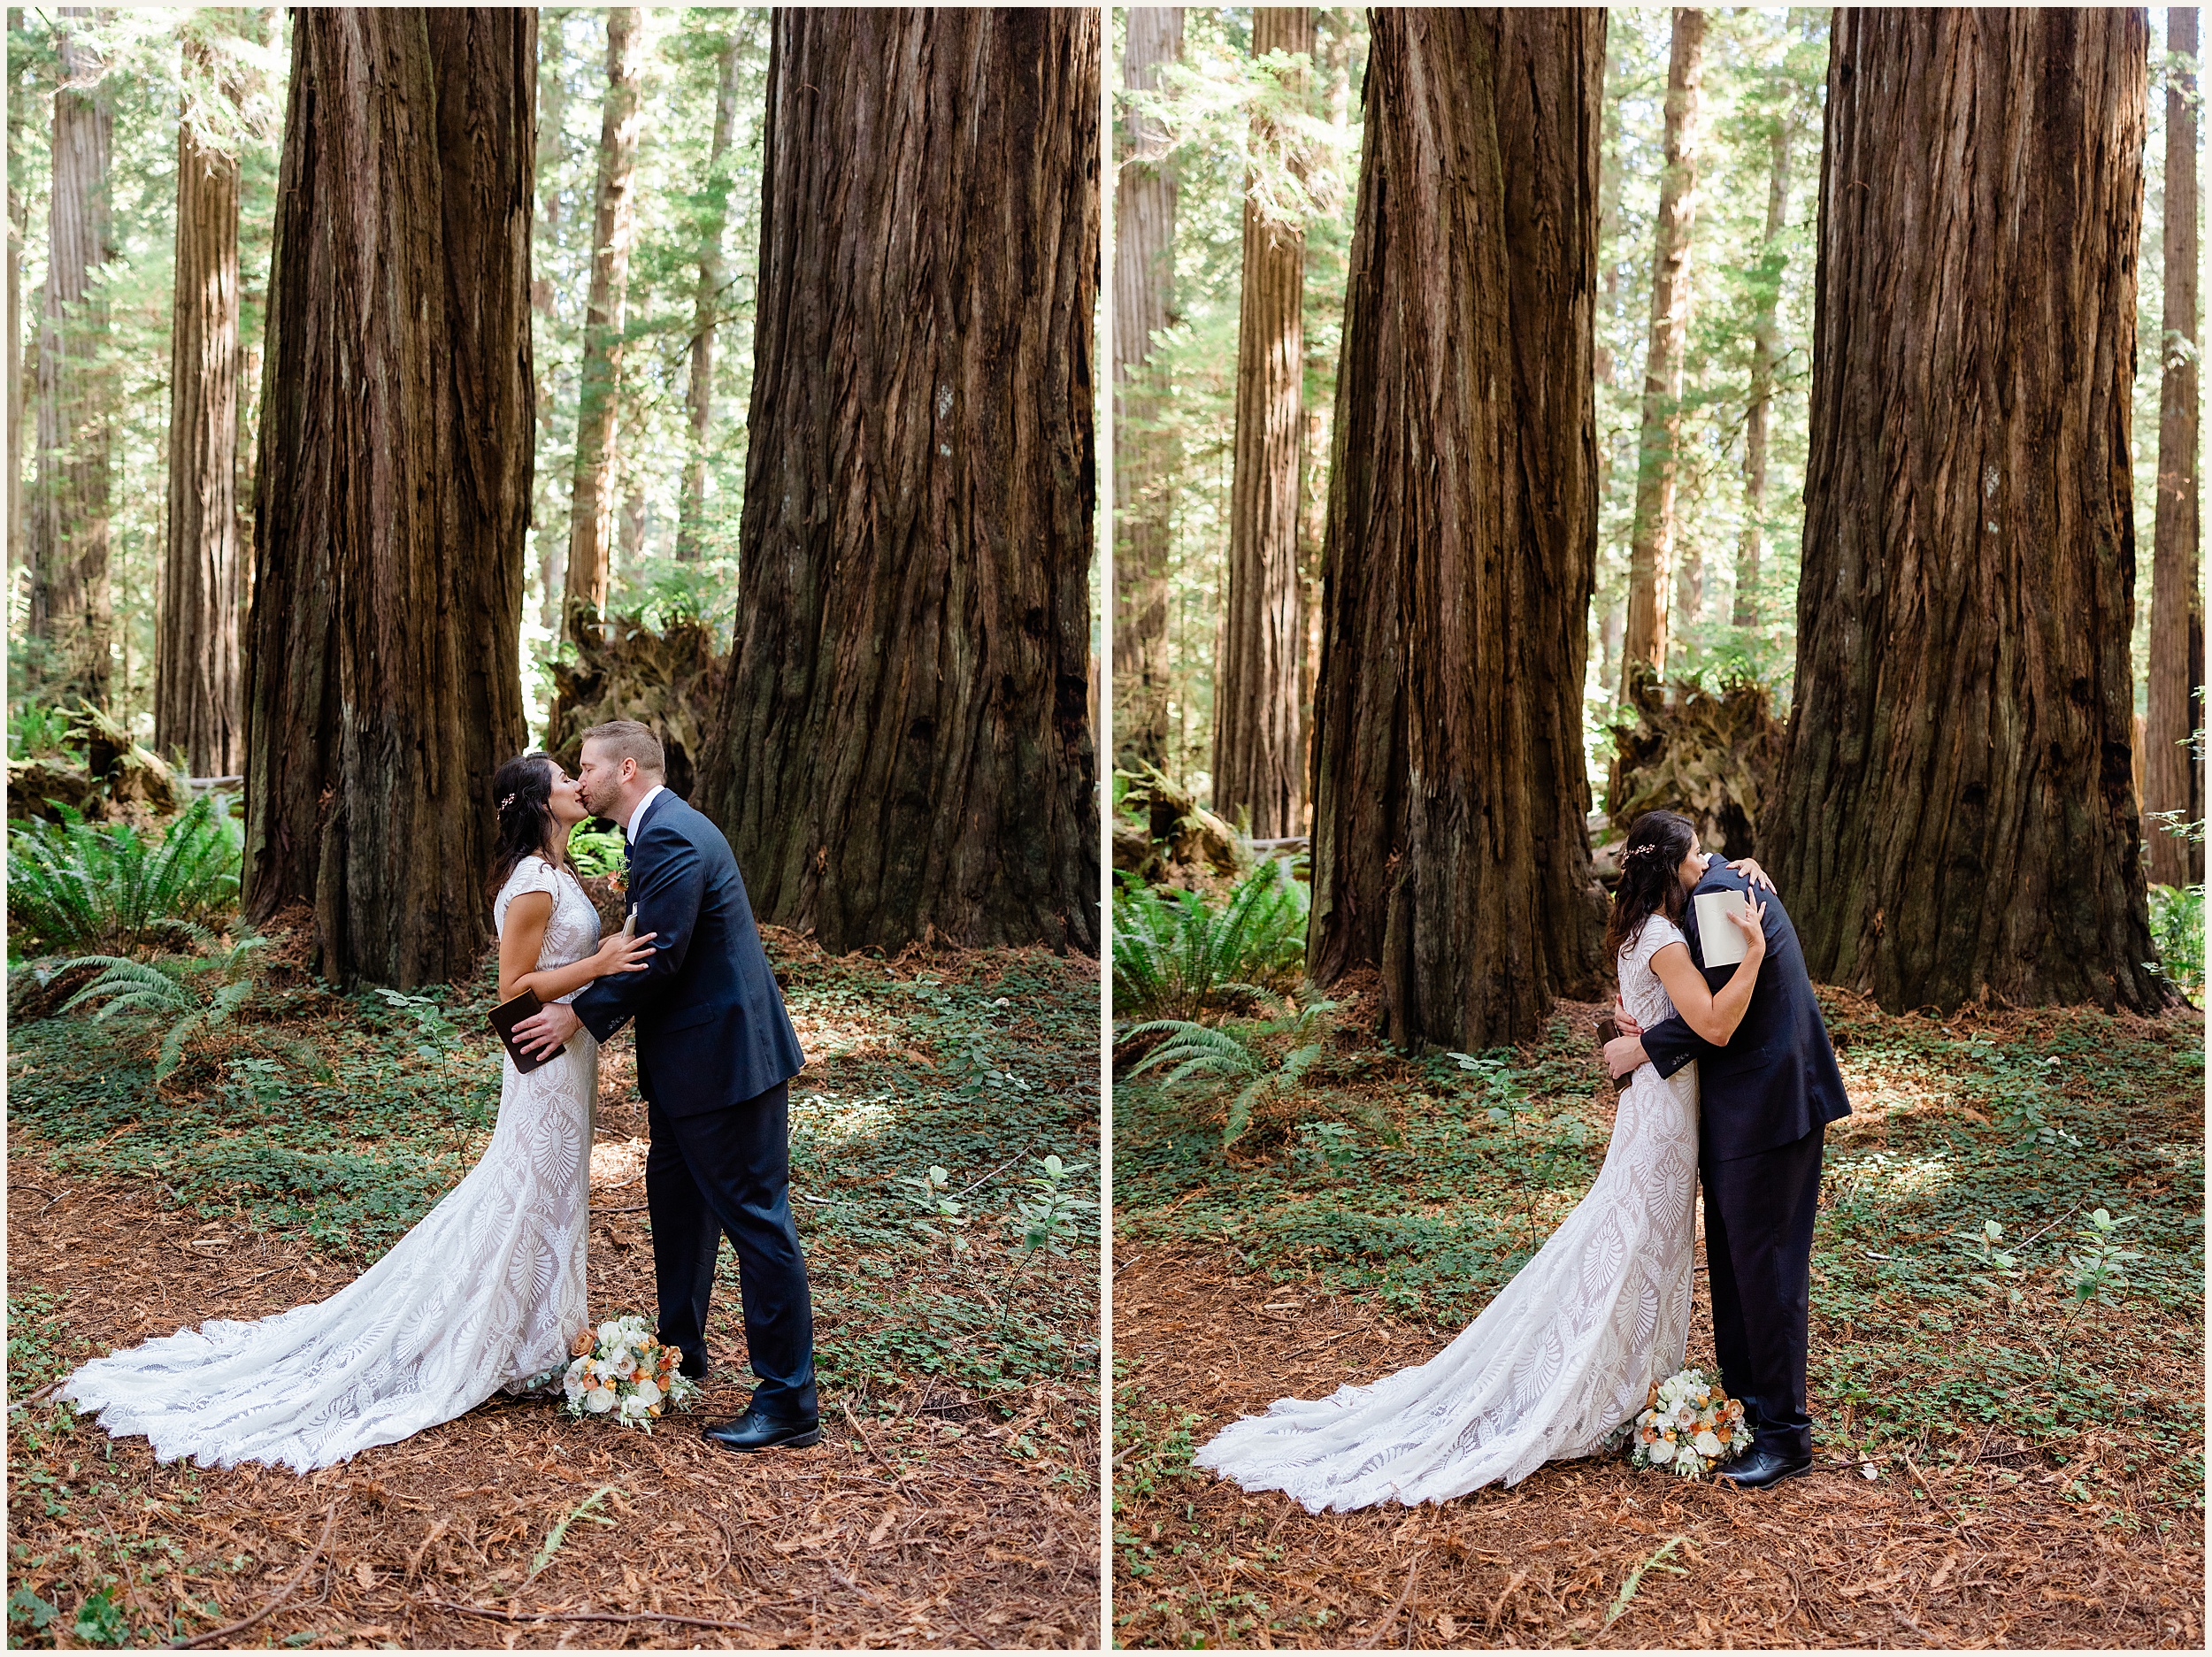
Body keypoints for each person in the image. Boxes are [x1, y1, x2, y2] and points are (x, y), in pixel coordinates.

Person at [59, 755, 657, 1470]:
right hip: (542, 1059)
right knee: (527, 1187)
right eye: (563, 778)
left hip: (572, 1056)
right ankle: (509, 1337)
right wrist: (599, 964)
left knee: (550, 1193)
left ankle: (540, 1331)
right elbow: (512, 986)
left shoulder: (559, 872)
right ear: (537, 801)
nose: (575, 785)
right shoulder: (531, 882)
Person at [1194, 811, 1771, 1511]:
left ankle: (1633, 1377)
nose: (1705, 861)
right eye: (1696, 853)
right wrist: (1753, 955)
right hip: (1662, 1114)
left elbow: (1651, 1015)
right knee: (1633, 1242)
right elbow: (1711, 1023)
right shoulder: (1661, 937)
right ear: (1672, 863)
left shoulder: (1635, 933)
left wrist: (1742, 876)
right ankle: (1606, 1380)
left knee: (1637, 1240)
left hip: (1657, 1104)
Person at [511, 720, 818, 1453]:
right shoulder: (651, 834)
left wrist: (574, 1018)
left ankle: (787, 1401)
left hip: (727, 1070)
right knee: (677, 1209)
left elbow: (660, 959)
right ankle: (682, 1348)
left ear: (627, 769)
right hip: (690, 1072)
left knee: (757, 1223)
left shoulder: (673, 836)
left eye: (586, 768)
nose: (578, 781)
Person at [1602, 825, 1852, 1489]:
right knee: (1744, 1272)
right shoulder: (1723, 882)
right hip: (1753, 1109)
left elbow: (1720, 1020)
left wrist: (1642, 1049)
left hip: (1768, 1110)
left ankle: (1785, 1437)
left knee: (1767, 1275)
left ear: (1668, 870)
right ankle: (1752, 1409)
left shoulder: (1714, 895)